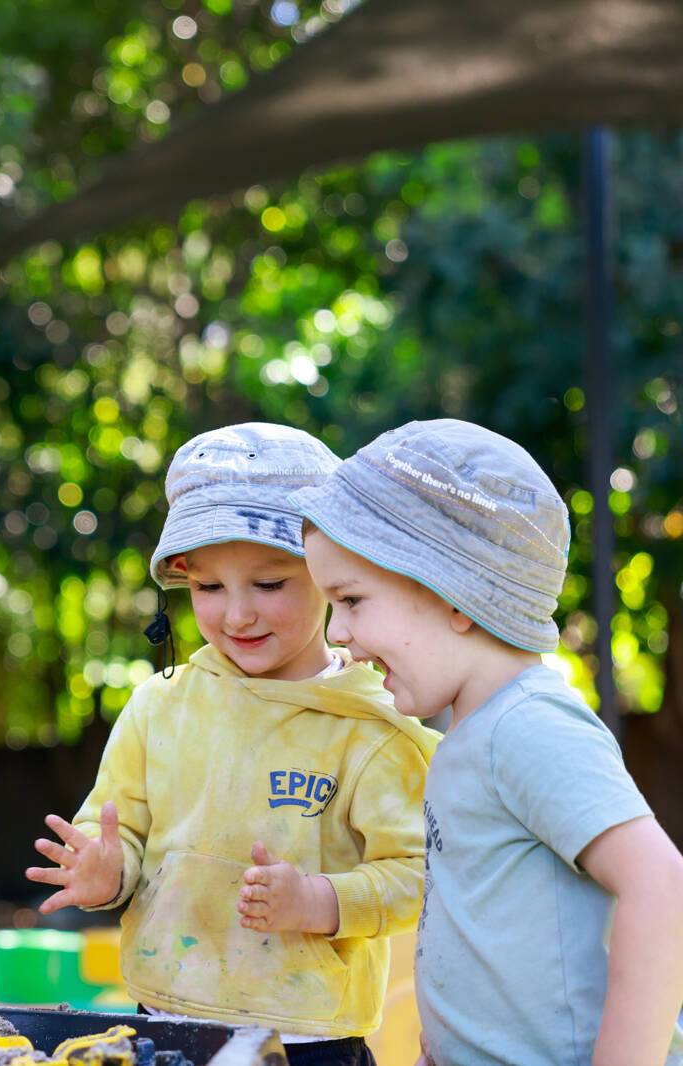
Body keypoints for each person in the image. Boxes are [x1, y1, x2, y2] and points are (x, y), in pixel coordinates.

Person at [27, 424, 437, 1066]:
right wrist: (107, 873)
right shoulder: (160, 707)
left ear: (331, 576)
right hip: (164, 1023)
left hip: (306, 1038)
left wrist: (319, 901)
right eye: (210, 588)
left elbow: (417, 874)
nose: (237, 614)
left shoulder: (369, 726)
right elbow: (120, 834)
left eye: (269, 584)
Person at [291, 418, 683, 1066]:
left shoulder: (529, 726)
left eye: (352, 600)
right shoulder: (473, 735)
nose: (338, 632)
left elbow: (662, 885)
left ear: (456, 595)